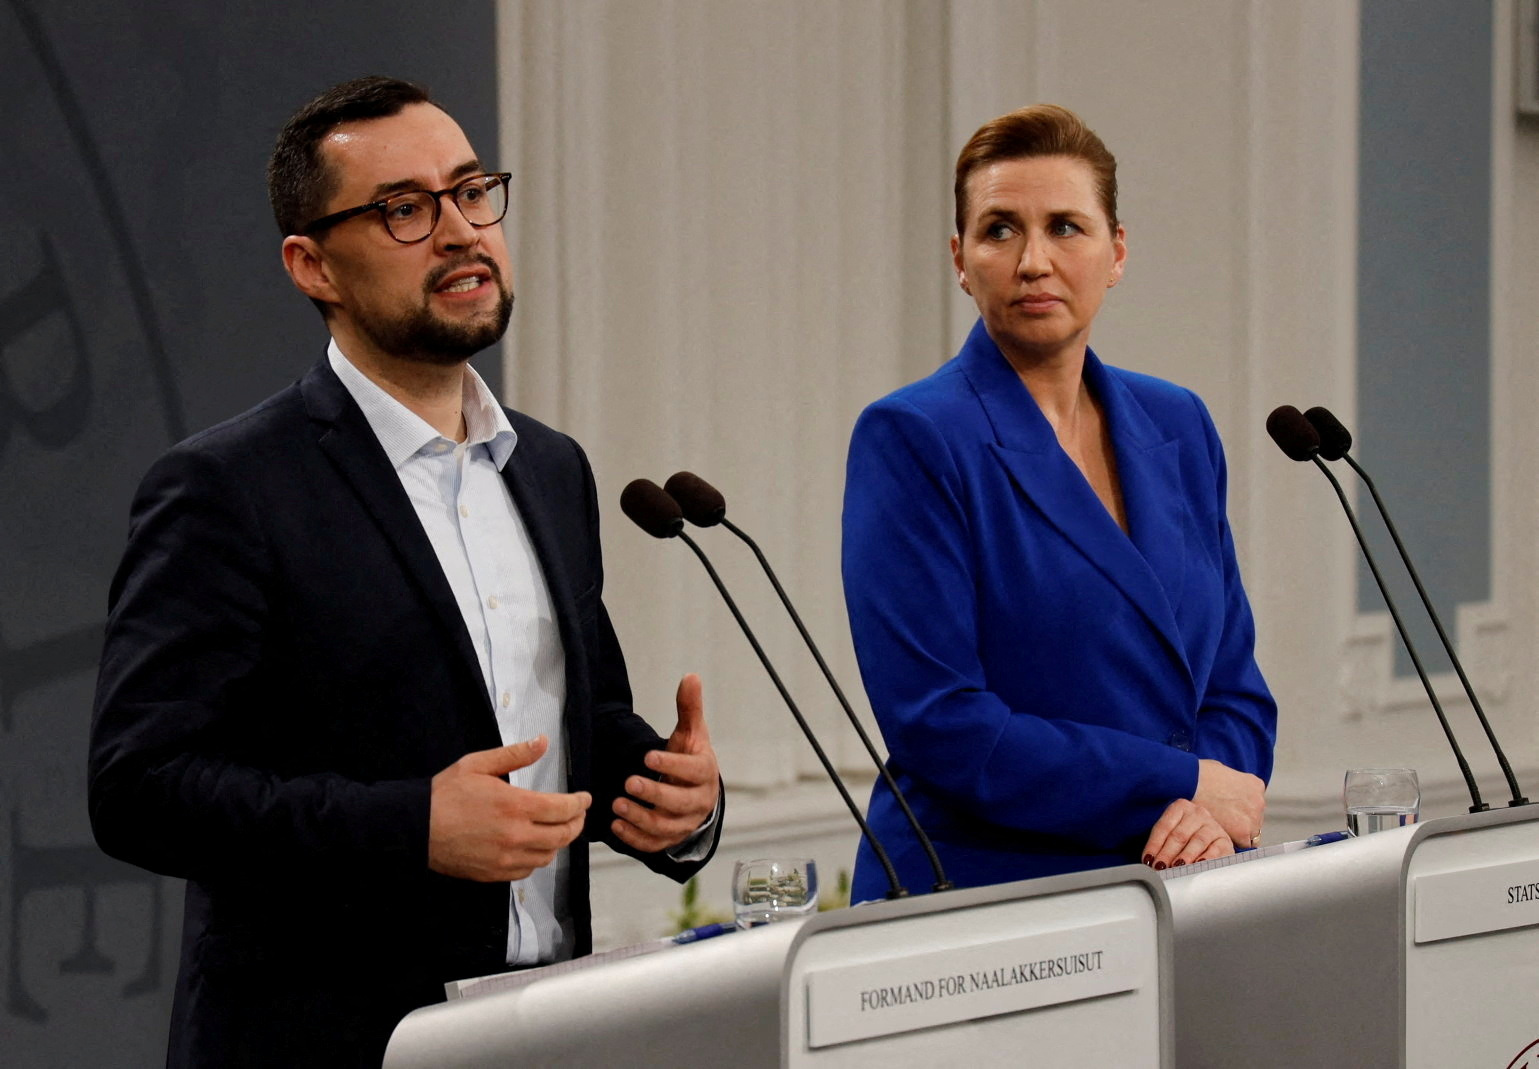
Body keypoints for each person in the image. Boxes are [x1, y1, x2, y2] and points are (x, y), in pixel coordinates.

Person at [89, 76, 722, 1067]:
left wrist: (668, 799)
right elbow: (139, 786)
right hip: (328, 1038)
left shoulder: (550, 469)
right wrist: (410, 825)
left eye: (474, 193)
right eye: (405, 210)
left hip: (548, 1023)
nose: (463, 231)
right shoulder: (227, 487)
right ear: (313, 265)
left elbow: (572, 729)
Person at [842, 104, 1274, 903]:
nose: (1033, 260)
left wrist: (1210, 808)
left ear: (1116, 252)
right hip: (984, 898)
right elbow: (942, 723)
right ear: (959, 259)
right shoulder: (911, 437)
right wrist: (1180, 785)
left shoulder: (1177, 421)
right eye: (1000, 229)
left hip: (1183, 883)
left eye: (1065, 227)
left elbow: (1233, 682)